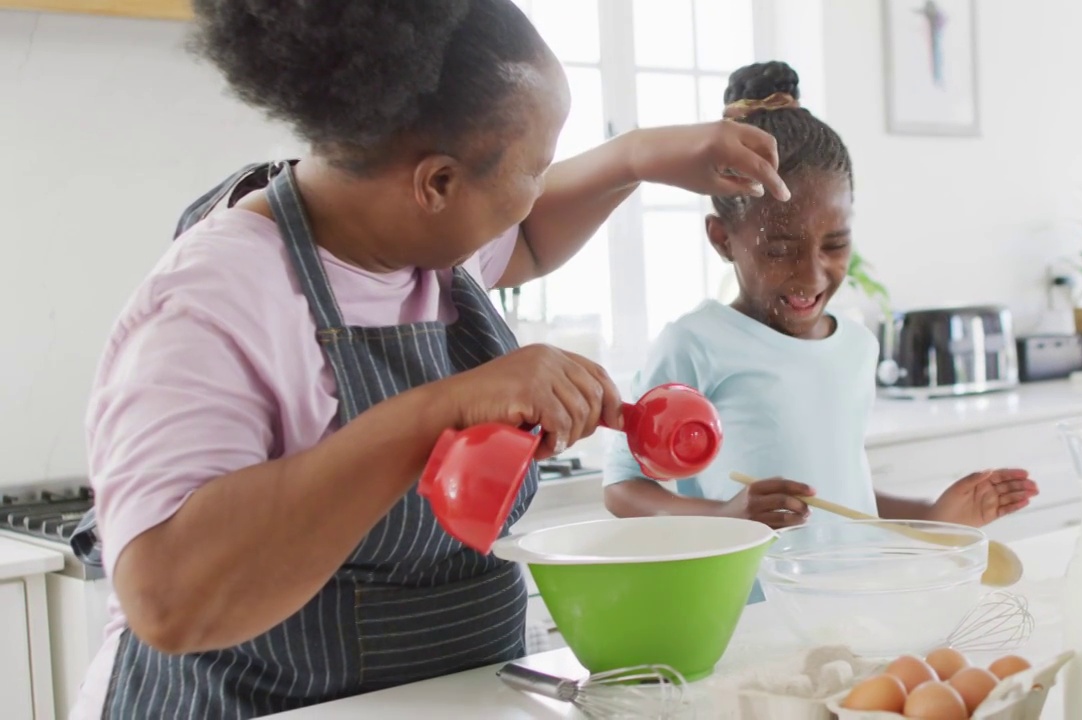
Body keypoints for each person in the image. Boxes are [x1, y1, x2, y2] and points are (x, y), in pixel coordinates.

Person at [70, 2, 793, 718]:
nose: (537, 192)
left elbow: (530, 234)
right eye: (532, 169)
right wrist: (442, 410)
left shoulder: (409, 235)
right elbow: (168, 600)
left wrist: (642, 155)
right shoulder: (212, 302)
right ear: (437, 184)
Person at [603, 61, 1039, 536]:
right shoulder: (695, 345)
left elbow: (841, 499)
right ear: (722, 238)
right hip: (753, 610)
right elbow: (622, 488)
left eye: (834, 245)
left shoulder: (856, 347)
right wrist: (726, 517)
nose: (811, 274)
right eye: (779, 249)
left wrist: (934, 516)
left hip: (847, 598)